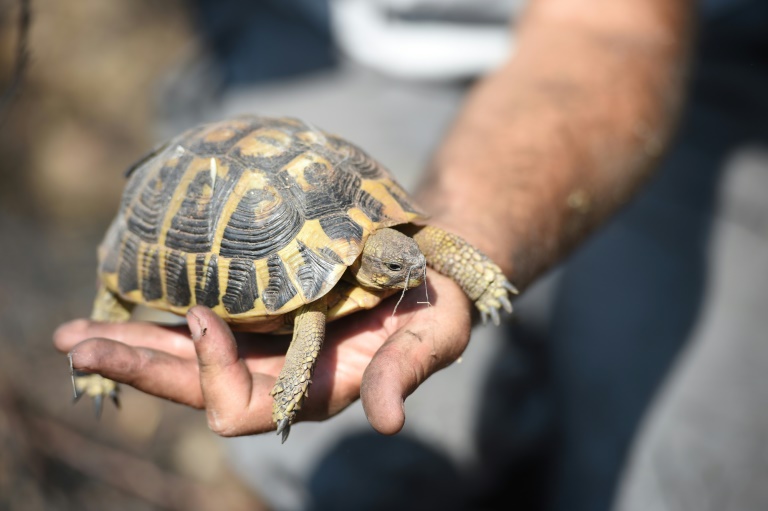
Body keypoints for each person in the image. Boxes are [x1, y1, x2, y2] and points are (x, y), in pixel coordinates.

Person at [55, 0, 734, 508]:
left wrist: (474, 269)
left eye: (402, 264)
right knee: (371, 480)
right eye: (394, 268)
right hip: (334, 48)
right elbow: (312, 320)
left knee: (682, 483)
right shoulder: (324, 298)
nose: (408, 271)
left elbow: (427, 237)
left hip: (684, 67)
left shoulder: (400, 251)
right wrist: (293, 387)